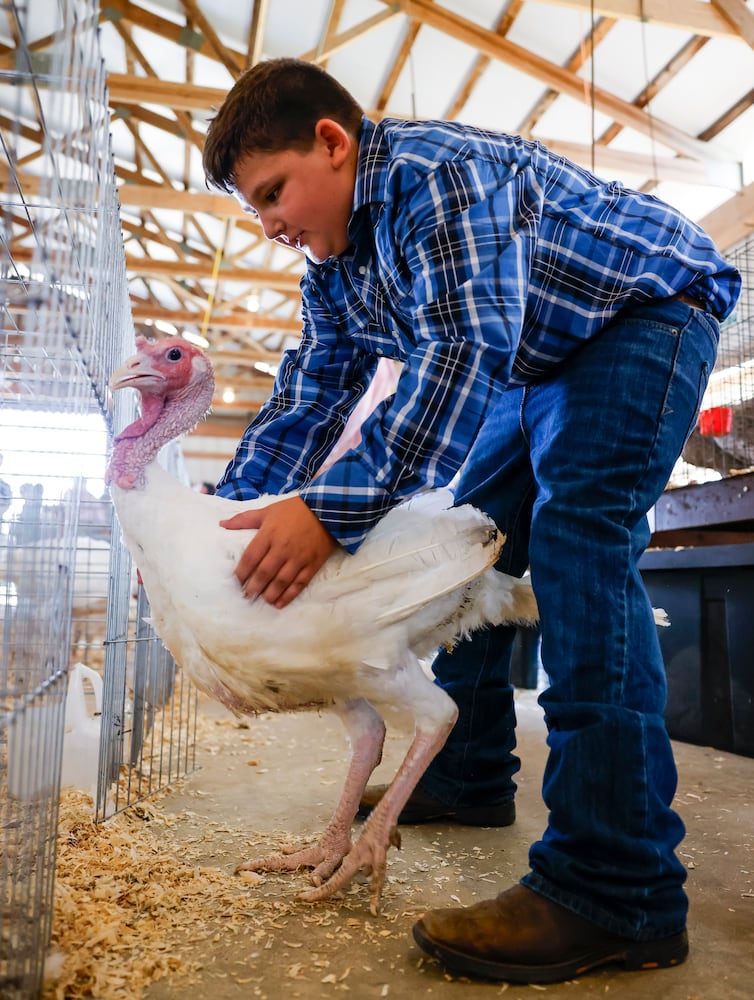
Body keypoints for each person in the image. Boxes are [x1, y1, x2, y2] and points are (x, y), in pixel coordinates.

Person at [201, 57, 741, 985]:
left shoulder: (435, 177)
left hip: (640, 314)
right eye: (256, 209)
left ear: (334, 142)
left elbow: (458, 359)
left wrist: (328, 514)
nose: (271, 225)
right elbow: (312, 396)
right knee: (470, 539)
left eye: (273, 192)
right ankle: (472, 774)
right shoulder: (334, 269)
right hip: (542, 356)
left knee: (580, 549)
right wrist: (209, 527)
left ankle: (617, 887)